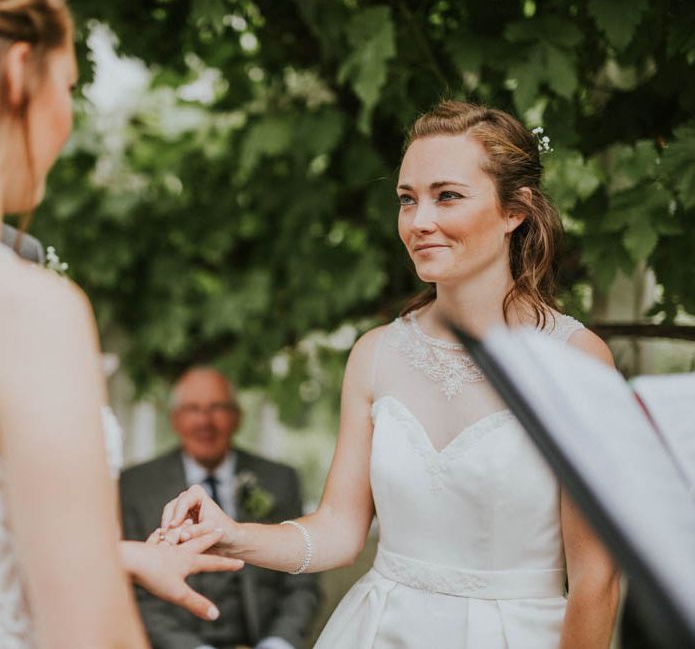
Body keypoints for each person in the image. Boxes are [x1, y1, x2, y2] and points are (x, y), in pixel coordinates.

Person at [161, 100, 621, 648]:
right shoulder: (376, 354)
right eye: (408, 199)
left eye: (447, 195)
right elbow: (339, 529)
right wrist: (233, 535)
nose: (419, 221)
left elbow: (597, 579)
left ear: (514, 210)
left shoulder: (575, 361)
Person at [0, 0, 243, 646]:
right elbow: (90, 632)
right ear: (19, 72)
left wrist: (129, 555)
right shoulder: (27, 310)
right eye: (69, 87)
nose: (68, 118)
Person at [120, 367, 321, 649]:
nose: (205, 421)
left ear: (238, 418)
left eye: (218, 408)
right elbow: (132, 592)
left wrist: (278, 643)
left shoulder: (279, 479)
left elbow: (301, 583)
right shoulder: (135, 484)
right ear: (175, 419)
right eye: (193, 409)